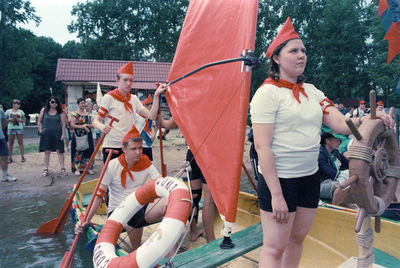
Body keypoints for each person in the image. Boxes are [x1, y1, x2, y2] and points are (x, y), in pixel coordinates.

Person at [249, 17, 394, 267]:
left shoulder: (312, 92)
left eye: (303, 50)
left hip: (309, 178)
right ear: (276, 58)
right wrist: (276, 196)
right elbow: (262, 147)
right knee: (275, 247)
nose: (301, 55)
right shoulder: (266, 93)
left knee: (297, 239)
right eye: (293, 50)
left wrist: (372, 117)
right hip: (279, 181)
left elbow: (340, 123)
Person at [75, 126, 167, 250]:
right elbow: (98, 197)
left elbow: (158, 180)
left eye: (140, 148)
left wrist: (166, 186)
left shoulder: (145, 161)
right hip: (117, 210)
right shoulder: (112, 165)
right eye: (134, 149)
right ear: (124, 149)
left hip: (139, 205)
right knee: (133, 216)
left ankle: (168, 247)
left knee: (168, 202)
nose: (138, 152)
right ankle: (136, 251)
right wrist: (85, 220)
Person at [92, 61, 167, 162]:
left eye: (131, 80)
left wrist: (157, 95)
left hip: (129, 147)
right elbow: (95, 121)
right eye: (125, 80)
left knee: (130, 176)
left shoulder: (134, 99)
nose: (128, 83)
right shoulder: (109, 97)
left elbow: (151, 116)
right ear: (117, 80)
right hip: (112, 146)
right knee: (113, 177)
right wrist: (102, 127)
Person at [318, 133, 350, 206]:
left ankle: (340, 204)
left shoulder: (336, 153)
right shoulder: (320, 154)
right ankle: (334, 206)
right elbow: (331, 173)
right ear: (327, 140)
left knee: (349, 184)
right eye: (337, 140)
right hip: (318, 185)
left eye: (340, 141)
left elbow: (348, 164)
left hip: (330, 181)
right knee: (343, 186)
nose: (339, 143)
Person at [38, 96, 67, 176]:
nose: (54, 104)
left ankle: (62, 168)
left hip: (57, 134)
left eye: (56, 102)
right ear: (49, 102)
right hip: (46, 134)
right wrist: (40, 130)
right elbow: (39, 121)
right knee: (47, 152)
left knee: (59, 151)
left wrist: (63, 134)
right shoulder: (44, 110)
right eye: (52, 102)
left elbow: (63, 124)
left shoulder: (60, 112)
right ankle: (46, 169)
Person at [70, 97, 95, 176]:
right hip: (78, 135)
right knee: (78, 151)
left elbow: (92, 125)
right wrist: (81, 127)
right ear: (78, 104)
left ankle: (88, 168)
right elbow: (72, 125)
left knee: (89, 151)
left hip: (87, 135)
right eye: (81, 103)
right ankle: (77, 168)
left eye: (84, 103)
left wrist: (87, 125)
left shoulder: (88, 114)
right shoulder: (74, 114)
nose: (83, 104)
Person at [135, 95, 157, 160]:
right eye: (150, 107)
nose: (151, 109)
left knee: (148, 162)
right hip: (139, 143)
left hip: (148, 143)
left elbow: (152, 126)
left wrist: (153, 134)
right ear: (144, 107)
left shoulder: (150, 117)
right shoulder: (137, 116)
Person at [0, 107, 17, 182]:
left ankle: (5, 175)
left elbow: (4, 123)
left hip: (1, 137)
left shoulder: (1, 111)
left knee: (4, 156)